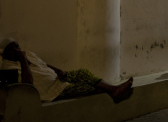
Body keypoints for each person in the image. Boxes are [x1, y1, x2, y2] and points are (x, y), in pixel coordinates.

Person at [0, 37, 133, 103]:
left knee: (83, 72)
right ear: (6, 53)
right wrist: (23, 60)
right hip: (51, 92)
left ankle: (113, 90)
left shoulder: (27, 53)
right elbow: (27, 85)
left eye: (18, 46)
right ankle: (114, 91)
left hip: (57, 79)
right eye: (14, 48)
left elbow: (43, 64)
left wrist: (58, 70)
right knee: (85, 86)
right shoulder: (9, 66)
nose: (18, 50)